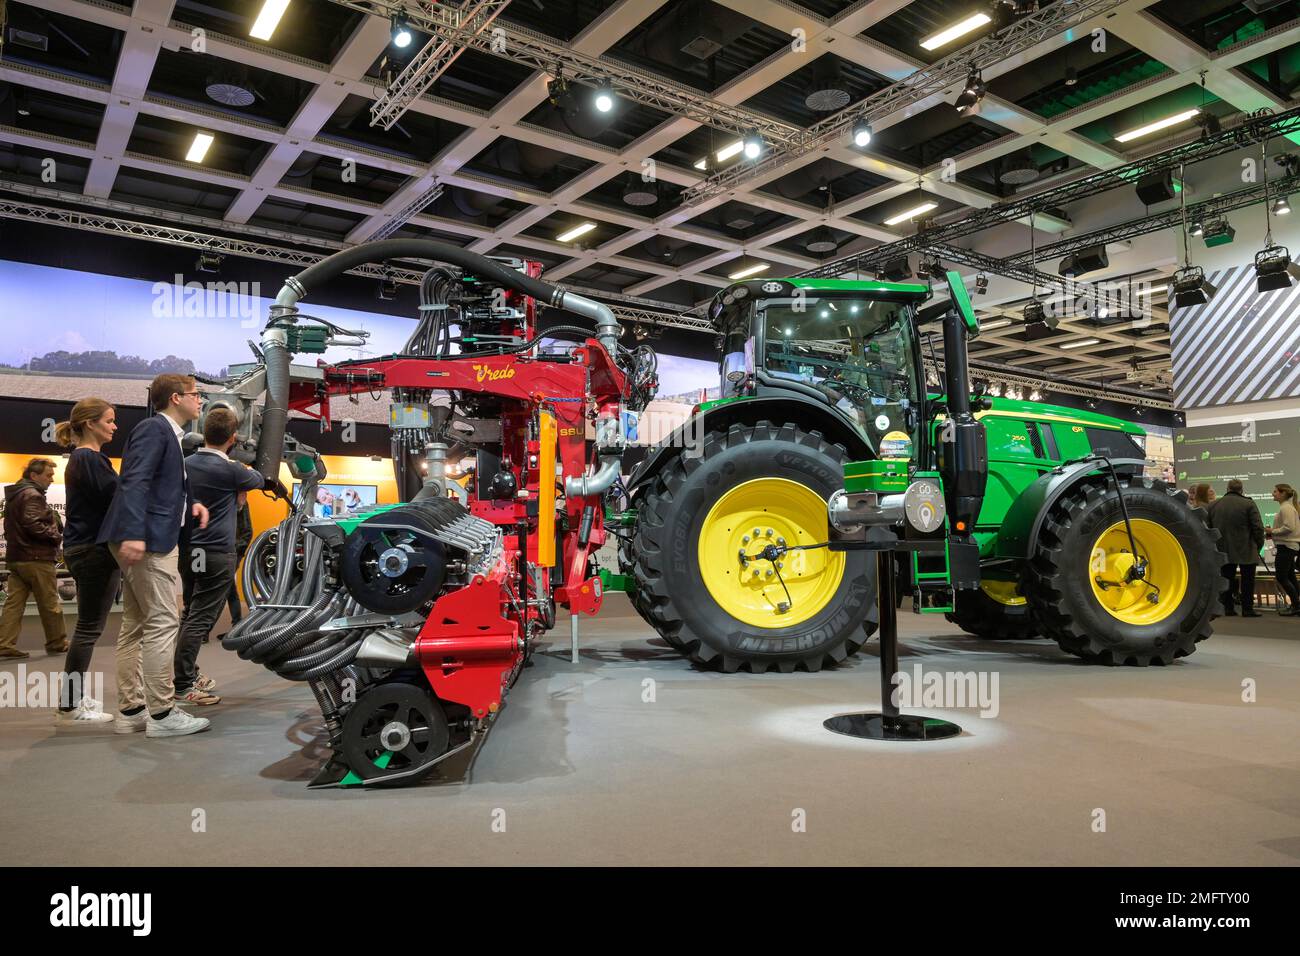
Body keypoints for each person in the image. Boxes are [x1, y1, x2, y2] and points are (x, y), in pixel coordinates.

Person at [98, 374, 211, 738]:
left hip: (144, 535)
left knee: (135, 625)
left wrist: (189, 503)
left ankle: (132, 710)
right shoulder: (154, 429)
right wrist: (133, 532)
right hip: (146, 539)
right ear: (176, 398)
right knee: (163, 621)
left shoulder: (168, 436)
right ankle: (162, 714)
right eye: (197, 395)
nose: (201, 402)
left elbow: (157, 484)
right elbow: (135, 480)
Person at [174, 407, 276, 705]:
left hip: (189, 551)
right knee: (200, 619)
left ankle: (188, 672)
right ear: (233, 438)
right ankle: (182, 684)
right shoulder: (231, 470)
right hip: (217, 552)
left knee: (190, 613)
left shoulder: (185, 464)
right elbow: (259, 479)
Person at [53, 399, 121, 724]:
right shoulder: (88, 459)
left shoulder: (85, 459)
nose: (114, 426)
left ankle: (72, 698)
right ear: (91, 423)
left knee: (87, 627)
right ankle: (69, 704)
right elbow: (117, 499)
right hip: (93, 551)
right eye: (109, 420)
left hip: (86, 549)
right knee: (88, 628)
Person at [0, 458, 68, 659]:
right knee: (50, 603)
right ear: (34, 475)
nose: (51, 479)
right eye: (48, 475)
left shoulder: (16, 495)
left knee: (14, 604)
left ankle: (5, 643)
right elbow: (33, 524)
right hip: (36, 558)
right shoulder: (32, 495)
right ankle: (57, 642)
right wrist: (57, 536)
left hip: (18, 558)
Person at [1209, 479, 1266, 617]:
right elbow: (1258, 527)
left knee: (1226, 579)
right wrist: (1259, 545)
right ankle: (1247, 609)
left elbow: (1209, 528)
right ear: (1241, 489)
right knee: (1248, 580)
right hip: (1246, 548)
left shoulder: (1214, 505)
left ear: (1227, 488)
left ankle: (1228, 608)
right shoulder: (1249, 503)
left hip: (1222, 548)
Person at [1268, 483, 1300, 616]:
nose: (1273, 493)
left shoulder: (1286, 508)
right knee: (1290, 576)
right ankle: (1296, 604)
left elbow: (1289, 527)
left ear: (1282, 494)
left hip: (1286, 546)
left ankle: (1296, 606)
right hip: (1287, 546)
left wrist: (1272, 531)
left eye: (1275, 491)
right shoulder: (1287, 507)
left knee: (1282, 576)